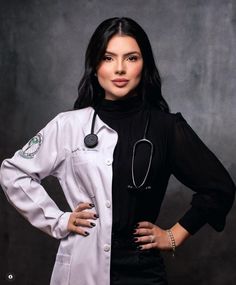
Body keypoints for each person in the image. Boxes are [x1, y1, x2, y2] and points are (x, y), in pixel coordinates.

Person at [0, 17, 235, 285]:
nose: (120, 69)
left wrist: (174, 236)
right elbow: (13, 173)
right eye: (108, 58)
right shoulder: (69, 125)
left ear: (144, 65)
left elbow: (219, 187)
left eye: (131, 58)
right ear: (95, 65)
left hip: (142, 271)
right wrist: (59, 220)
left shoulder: (165, 128)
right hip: (81, 265)